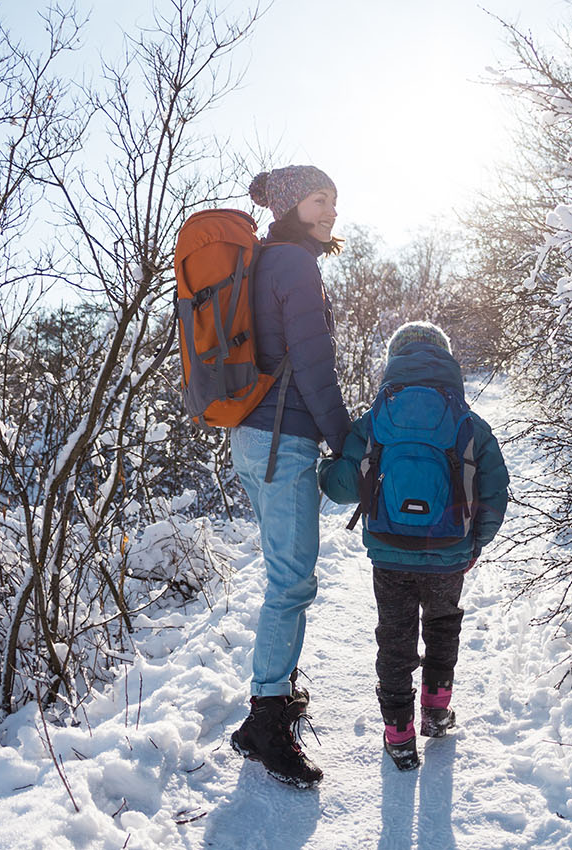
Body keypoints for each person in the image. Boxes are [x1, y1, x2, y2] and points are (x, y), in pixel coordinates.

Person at [319, 321, 510, 770]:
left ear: (394, 360)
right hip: (448, 553)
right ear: (445, 359)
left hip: (389, 550)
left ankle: (399, 736)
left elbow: (346, 486)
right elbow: (496, 490)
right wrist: (474, 543)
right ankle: (437, 714)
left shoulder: (376, 417)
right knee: (443, 625)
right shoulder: (467, 419)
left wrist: (324, 471)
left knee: (395, 637)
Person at [226, 165, 351, 789]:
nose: (330, 210)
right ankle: (266, 721)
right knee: (292, 583)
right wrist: (346, 439)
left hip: (252, 438)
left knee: (286, 577)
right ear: (289, 204)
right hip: (283, 439)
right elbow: (313, 362)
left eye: (334, 199)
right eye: (318, 199)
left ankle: (271, 700)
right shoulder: (295, 265)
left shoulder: (264, 259)